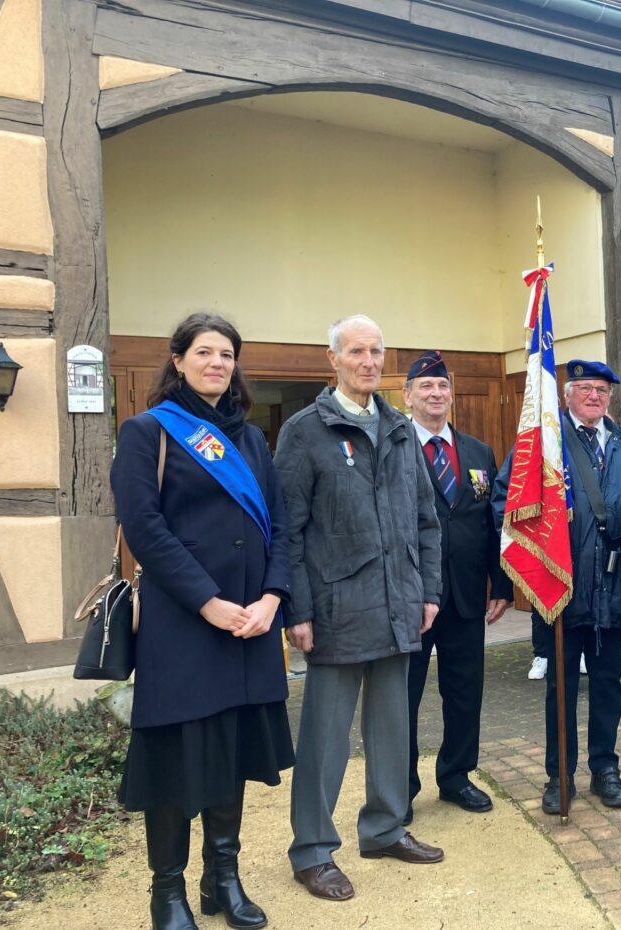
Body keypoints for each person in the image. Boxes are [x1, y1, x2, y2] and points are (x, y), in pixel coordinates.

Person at [111, 313, 295, 930]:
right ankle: (168, 892)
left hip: (249, 626)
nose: (217, 363)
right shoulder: (146, 433)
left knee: (232, 750)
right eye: (205, 352)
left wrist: (272, 599)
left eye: (227, 354)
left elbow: (282, 527)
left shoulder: (250, 442)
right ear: (179, 359)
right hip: (184, 626)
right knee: (174, 761)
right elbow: (146, 531)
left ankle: (223, 879)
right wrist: (208, 601)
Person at [276, 315, 445, 903]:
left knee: (393, 727)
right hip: (335, 608)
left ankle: (383, 828)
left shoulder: (399, 428)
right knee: (325, 736)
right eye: (357, 352)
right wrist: (296, 609)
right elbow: (288, 531)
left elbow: (427, 520)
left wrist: (429, 592)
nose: (369, 361)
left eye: (377, 351)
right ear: (334, 360)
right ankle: (312, 851)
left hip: (400, 603)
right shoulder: (305, 431)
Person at [493, 360, 621, 815]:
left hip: (615, 581)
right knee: (561, 687)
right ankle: (560, 774)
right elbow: (506, 501)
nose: (595, 396)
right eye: (586, 388)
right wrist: (533, 559)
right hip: (562, 586)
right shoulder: (543, 446)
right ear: (567, 394)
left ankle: (606, 768)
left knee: (609, 683)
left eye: (602, 390)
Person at [403, 351, 512, 824]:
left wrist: (502, 582)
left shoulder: (477, 452)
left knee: (464, 691)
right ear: (407, 396)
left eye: (442, 386)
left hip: (467, 594)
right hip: (410, 597)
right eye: (425, 387)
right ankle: (399, 787)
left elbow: (492, 523)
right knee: (401, 694)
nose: (435, 394)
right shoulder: (392, 449)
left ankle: (456, 776)